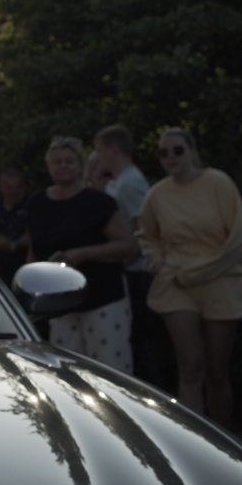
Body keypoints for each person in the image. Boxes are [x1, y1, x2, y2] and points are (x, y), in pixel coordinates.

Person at [137, 127, 242, 425]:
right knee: (189, 367)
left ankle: (223, 439)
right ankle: (192, 439)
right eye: (163, 152)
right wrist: (156, 261)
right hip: (176, 282)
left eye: (177, 150)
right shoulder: (157, 194)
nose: (171, 157)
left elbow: (241, 238)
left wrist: (199, 272)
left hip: (221, 279)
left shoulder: (218, 183)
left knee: (217, 371)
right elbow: (146, 233)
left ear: (192, 151)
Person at [25, 136, 138, 372]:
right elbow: (34, 250)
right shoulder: (37, 204)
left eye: (69, 161)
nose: (63, 166)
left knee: (109, 370)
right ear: (48, 167)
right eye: (57, 162)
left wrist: (84, 254)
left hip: (102, 298)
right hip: (59, 303)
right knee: (67, 373)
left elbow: (127, 245)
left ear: (80, 166)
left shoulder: (99, 202)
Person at [94, 125, 160, 386]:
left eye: (100, 151)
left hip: (138, 274)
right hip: (137, 271)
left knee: (140, 346)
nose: (97, 158)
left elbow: (143, 232)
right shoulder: (125, 181)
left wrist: (120, 263)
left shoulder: (128, 184)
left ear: (113, 149)